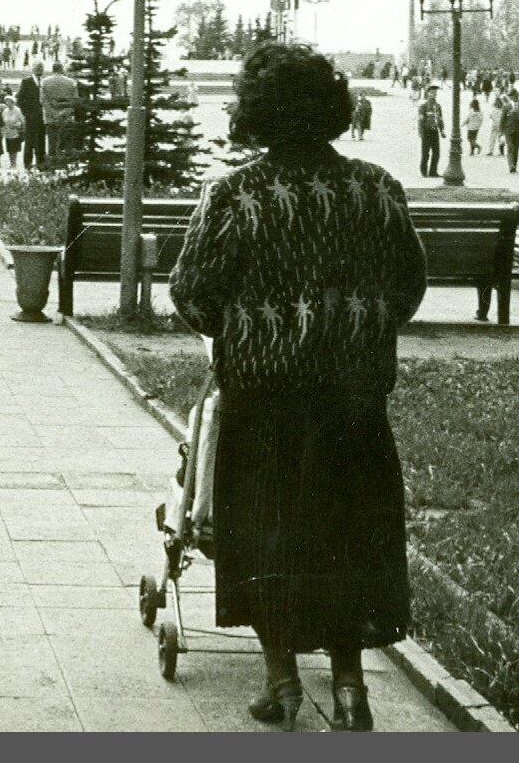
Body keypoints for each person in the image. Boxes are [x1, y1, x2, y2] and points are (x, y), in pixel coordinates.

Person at [168, 44, 425, 733]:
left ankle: (280, 684)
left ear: (256, 114)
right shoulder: (376, 187)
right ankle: (348, 690)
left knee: (269, 540)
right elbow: (407, 286)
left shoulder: (235, 193)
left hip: (265, 404)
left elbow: (191, 292)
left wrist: (246, 333)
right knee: (345, 540)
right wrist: (355, 333)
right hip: (352, 403)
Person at [39, 62, 78, 165]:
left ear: (53, 69)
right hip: (66, 117)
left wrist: (53, 113)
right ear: (62, 69)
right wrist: (63, 113)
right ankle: (66, 167)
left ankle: (52, 166)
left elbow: (43, 101)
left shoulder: (45, 82)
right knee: (66, 144)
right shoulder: (71, 82)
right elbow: (74, 101)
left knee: (52, 143)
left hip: (51, 118)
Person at [16, 68, 45, 169]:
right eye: (37, 68)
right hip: (30, 117)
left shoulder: (44, 82)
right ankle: (27, 163)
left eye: (40, 68)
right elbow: (20, 99)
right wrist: (26, 113)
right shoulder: (26, 82)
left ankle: (41, 163)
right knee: (29, 141)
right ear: (33, 70)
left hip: (42, 117)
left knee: (41, 141)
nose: (39, 70)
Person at [416, 86, 443, 177]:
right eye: (432, 92)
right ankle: (424, 172)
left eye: (435, 93)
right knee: (425, 153)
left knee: (436, 153)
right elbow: (420, 120)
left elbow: (440, 119)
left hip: (435, 131)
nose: (434, 94)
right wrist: (420, 132)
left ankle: (433, 171)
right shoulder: (423, 106)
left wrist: (442, 130)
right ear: (427, 93)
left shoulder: (438, 106)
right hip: (426, 131)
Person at [1, 96, 26, 168]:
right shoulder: (5, 111)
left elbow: (22, 121)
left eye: (8, 102)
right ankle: (11, 163)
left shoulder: (17, 110)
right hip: (8, 132)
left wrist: (17, 125)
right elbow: (3, 120)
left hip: (15, 132)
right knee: (9, 149)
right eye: (6, 102)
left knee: (14, 149)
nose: (7, 103)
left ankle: (14, 163)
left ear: (12, 102)